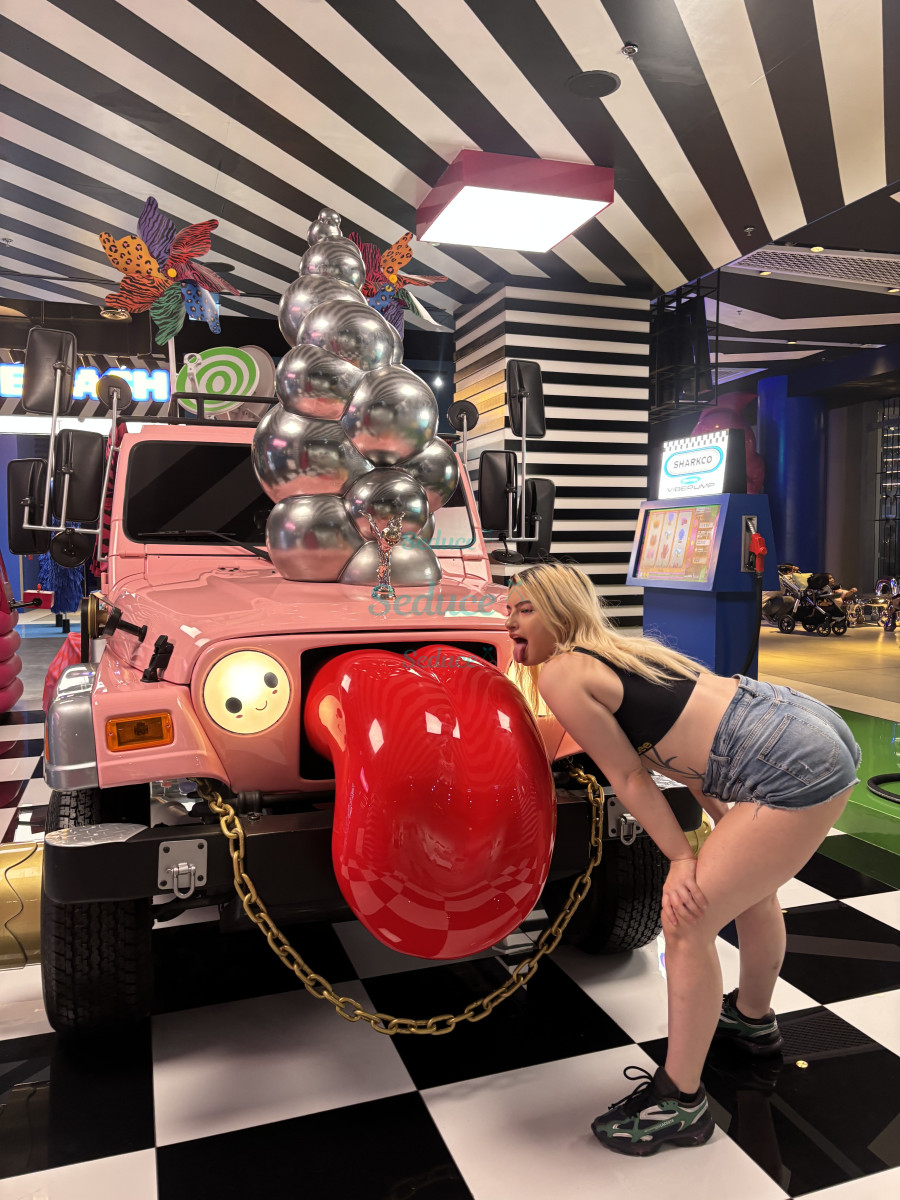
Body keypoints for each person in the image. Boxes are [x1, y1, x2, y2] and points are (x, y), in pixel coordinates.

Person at [505, 562, 860, 1157]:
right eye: (509, 609)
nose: (510, 622)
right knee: (751, 889)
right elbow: (693, 748)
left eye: (524, 609)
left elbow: (630, 777)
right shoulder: (627, 650)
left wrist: (678, 859)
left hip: (783, 758)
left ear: (561, 611)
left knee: (686, 919)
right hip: (800, 722)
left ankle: (680, 1102)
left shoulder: (564, 671)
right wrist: (725, 822)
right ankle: (751, 1020)